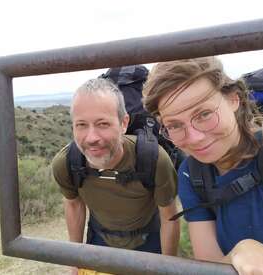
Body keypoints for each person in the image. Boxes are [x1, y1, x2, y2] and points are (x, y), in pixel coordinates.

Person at [142, 57, 263, 275]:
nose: (194, 138)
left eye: (204, 114)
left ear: (233, 99)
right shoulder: (192, 173)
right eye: (174, 125)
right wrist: (241, 251)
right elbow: (209, 265)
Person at [52, 78, 180, 274]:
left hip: (148, 242)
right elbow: (74, 204)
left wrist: (168, 267)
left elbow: (169, 216)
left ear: (123, 123)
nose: (92, 137)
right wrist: (74, 260)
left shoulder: (153, 160)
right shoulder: (67, 163)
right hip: (99, 241)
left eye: (103, 124)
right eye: (81, 125)